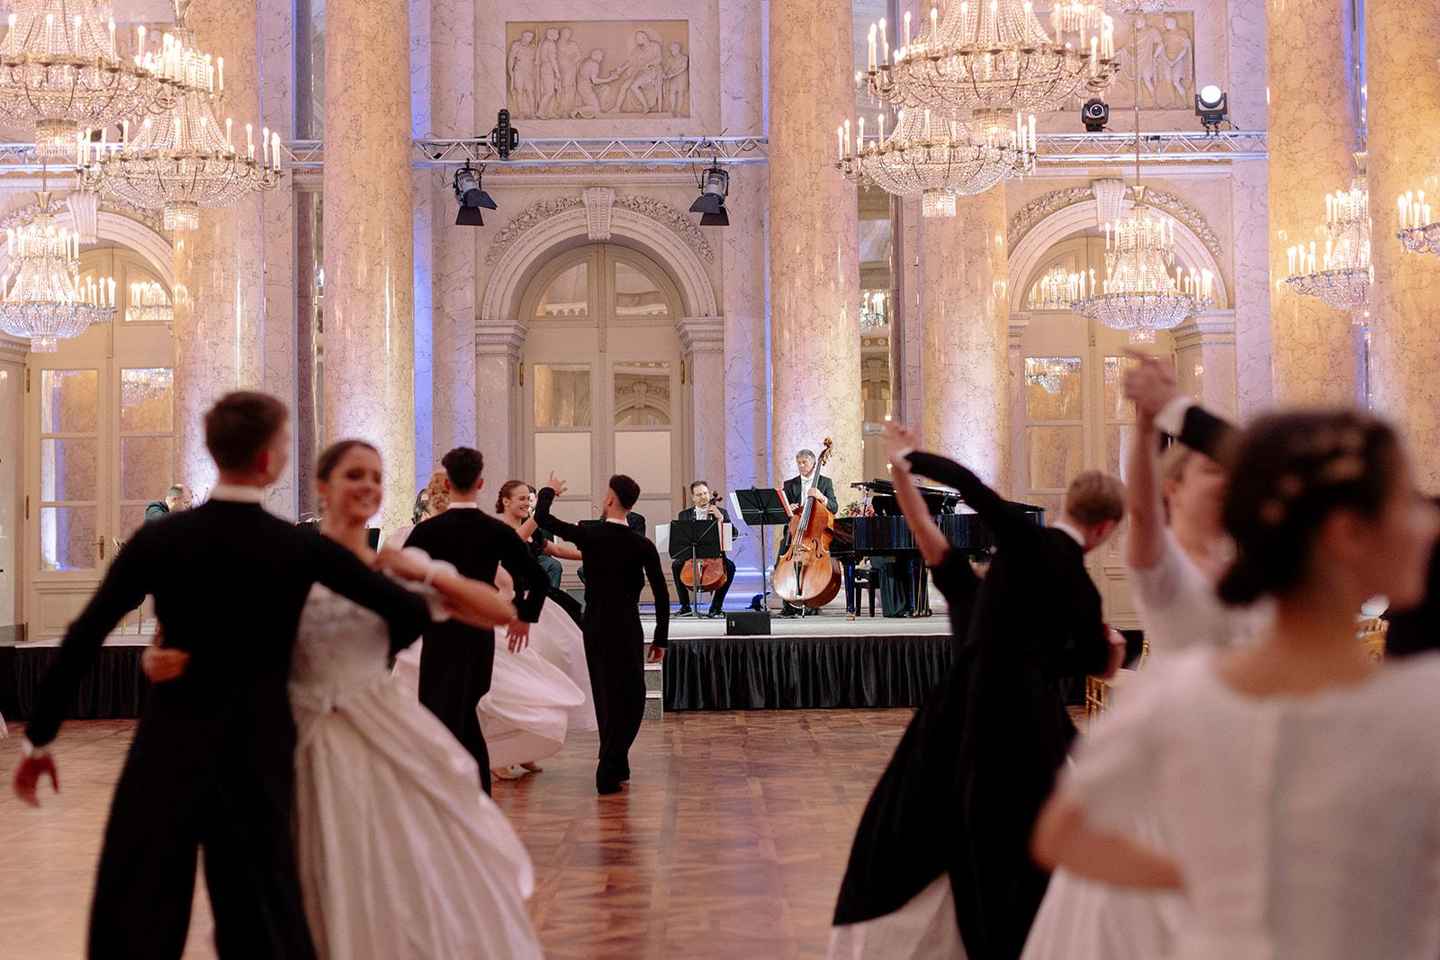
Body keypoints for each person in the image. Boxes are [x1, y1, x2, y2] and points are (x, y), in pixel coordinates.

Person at [11, 391, 436, 959]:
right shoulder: (295, 544)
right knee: (258, 911)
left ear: (216, 452)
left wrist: (39, 738)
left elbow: (83, 637)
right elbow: (406, 613)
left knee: (142, 906)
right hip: (259, 748)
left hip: (170, 741)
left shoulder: (162, 538)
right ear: (269, 460)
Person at [1034, 410, 1440, 960]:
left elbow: (1060, 835)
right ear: (1346, 534)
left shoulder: (1175, 694)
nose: (1427, 524)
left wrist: (1209, 883)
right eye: (1405, 505)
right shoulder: (1419, 706)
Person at [144, 439, 540, 959]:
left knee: (383, 869)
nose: (368, 487)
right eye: (355, 475)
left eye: (376, 478)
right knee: (296, 874)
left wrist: (424, 571)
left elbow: (493, 610)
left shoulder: (395, 564)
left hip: (380, 733)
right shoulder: (284, 560)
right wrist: (168, 658)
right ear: (322, 487)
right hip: (295, 737)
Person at [831, 423, 1126, 960]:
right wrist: (1114, 651)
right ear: (1105, 529)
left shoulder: (976, 591)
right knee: (1023, 848)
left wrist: (905, 463)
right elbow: (1092, 666)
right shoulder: (1075, 587)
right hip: (1025, 728)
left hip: (949, 723)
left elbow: (938, 521)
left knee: (928, 835)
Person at [1022, 354, 1267, 960]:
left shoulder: (1250, 568)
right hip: (1176, 750)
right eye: (1214, 471)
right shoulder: (1164, 568)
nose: (1228, 482)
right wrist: (1143, 424)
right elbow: (1141, 516)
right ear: (1174, 486)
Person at [404, 447, 551, 796]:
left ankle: (453, 796)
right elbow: (539, 579)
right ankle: (474, 796)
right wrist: (524, 618)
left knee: (442, 715)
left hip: (440, 635)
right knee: (467, 711)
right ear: (481, 483)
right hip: (479, 635)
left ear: (448, 481)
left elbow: (403, 582)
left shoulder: (427, 532)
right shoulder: (493, 531)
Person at [534, 471, 670, 794]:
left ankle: (614, 761)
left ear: (610, 500)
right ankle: (610, 766)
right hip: (625, 625)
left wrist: (550, 490)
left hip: (595, 625)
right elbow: (663, 595)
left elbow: (542, 518)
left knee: (606, 695)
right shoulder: (642, 544)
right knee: (631, 697)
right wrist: (661, 638)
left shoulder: (589, 534)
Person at [779, 448, 839, 617]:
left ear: (814, 463)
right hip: (795, 533)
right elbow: (784, 512)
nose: (801, 465)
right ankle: (788, 603)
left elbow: (834, 508)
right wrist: (788, 509)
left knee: (813, 565)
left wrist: (821, 497)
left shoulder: (825, 483)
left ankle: (813, 600)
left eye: (804, 462)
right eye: (799, 462)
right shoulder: (790, 484)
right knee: (783, 558)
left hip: (814, 535)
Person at [671, 480, 737, 618]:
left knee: (730, 567)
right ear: (693, 497)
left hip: (715, 555)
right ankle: (685, 607)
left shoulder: (721, 512)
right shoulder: (685, 515)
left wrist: (721, 519)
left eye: (705, 493)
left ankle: (716, 608)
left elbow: (734, 535)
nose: (704, 497)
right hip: (692, 554)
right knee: (676, 565)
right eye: (699, 494)